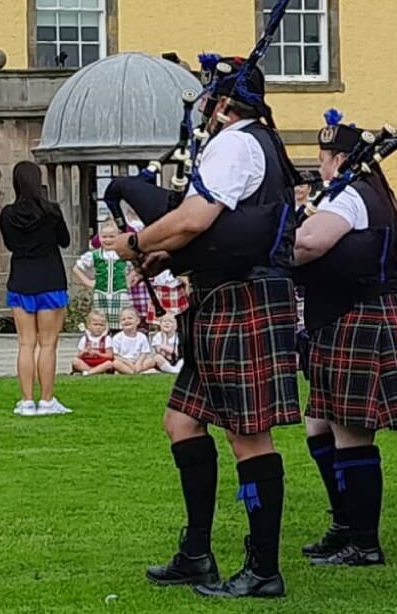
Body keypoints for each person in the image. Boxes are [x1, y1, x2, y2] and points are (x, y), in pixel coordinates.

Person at [116, 58, 301, 599]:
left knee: (248, 435)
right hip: (227, 296)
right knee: (181, 422)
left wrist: (136, 242)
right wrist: (168, 257)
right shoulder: (260, 144)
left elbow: (195, 218)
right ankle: (196, 553)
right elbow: (223, 231)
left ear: (223, 104)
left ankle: (263, 569)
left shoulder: (235, 143)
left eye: (207, 98)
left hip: (241, 298)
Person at [293, 109, 397, 567]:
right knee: (320, 425)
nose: (320, 166)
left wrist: (268, 247)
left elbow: (309, 244)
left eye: (323, 158)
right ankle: (344, 524)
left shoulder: (350, 196)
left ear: (339, 159)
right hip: (352, 316)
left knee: (352, 431)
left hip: (359, 317)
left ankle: (364, 542)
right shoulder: (366, 192)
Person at [0, 160, 72, 417]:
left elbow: (10, 244)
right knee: (48, 344)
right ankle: (47, 400)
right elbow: (65, 240)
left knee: (25, 343)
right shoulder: (51, 211)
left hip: (21, 279)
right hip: (50, 279)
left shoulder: (7, 214)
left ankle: (27, 401)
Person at [73, 219, 132, 330]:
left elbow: (137, 267)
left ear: (118, 237)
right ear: (99, 237)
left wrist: (129, 279)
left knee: (121, 321)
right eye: (104, 237)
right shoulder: (95, 255)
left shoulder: (123, 253)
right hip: (101, 293)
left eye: (111, 236)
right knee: (100, 321)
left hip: (120, 292)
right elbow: (76, 268)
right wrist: (88, 282)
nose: (108, 240)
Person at [111, 308, 155, 374]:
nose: (127, 321)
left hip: (138, 361)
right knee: (115, 363)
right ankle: (133, 372)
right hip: (124, 362)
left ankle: (135, 370)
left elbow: (144, 353)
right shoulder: (117, 338)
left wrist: (139, 363)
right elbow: (115, 355)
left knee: (152, 361)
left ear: (137, 321)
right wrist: (127, 362)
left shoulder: (142, 337)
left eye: (130, 318)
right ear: (120, 323)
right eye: (123, 319)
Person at [73, 311, 116, 375]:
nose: (98, 327)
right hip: (87, 363)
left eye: (101, 325)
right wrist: (84, 352)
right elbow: (78, 356)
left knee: (109, 364)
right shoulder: (84, 339)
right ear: (88, 326)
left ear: (105, 327)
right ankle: (95, 371)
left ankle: (89, 373)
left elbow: (110, 356)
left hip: (101, 363)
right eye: (95, 324)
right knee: (75, 361)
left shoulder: (107, 338)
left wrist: (98, 353)